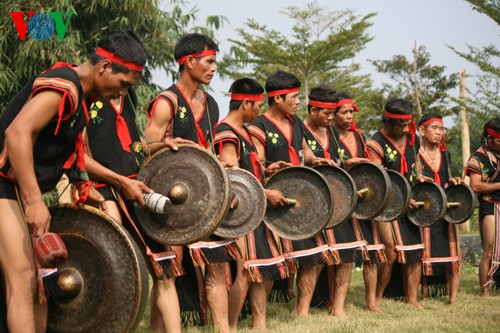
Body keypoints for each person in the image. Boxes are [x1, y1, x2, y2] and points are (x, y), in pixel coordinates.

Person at [0, 30, 146, 333]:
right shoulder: (63, 85)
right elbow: (17, 134)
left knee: (41, 281)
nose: (121, 94)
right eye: (122, 84)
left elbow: (67, 157)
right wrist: (35, 200)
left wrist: (104, 186)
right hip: (4, 185)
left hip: (19, 190)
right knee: (24, 278)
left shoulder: (79, 101)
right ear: (105, 67)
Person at [144, 33, 238, 333]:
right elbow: (145, 149)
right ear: (189, 62)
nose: (213, 68)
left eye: (214, 62)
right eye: (209, 62)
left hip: (204, 198)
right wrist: (169, 144)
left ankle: (223, 329)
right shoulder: (166, 102)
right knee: (168, 270)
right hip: (171, 198)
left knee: (217, 263)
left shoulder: (211, 104)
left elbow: (208, 153)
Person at [83, 84, 195, 332]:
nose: (131, 80)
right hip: (103, 188)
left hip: (138, 186)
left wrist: (162, 145)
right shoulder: (87, 96)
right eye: (129, 73)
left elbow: (135, 146)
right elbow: (81, 156)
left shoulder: (129, 96)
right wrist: (118, 182)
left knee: (165, 270)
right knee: (114, 264)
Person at [249, 71, 335, 317]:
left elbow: (304, 151)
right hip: (273, 202)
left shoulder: (296, 122)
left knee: (314, 256)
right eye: (295, 97)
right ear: (277, 98)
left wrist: (315, 160)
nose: (299, 102)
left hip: (301, 200)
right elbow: (258, 163)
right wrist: (268, 169)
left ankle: (302, 311)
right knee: (269, 265)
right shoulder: (259, 126)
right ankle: (260, 318)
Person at [214, 78, 289, 331]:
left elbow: (248, 169)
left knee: (263, 269)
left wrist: (267, 168)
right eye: (257, 105)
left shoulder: (244, 131)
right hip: (239, 214)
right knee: (245, 272)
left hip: (255, 209)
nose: (260, 110)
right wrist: (266, 193)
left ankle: (260, 324)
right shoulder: (225, 132)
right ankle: (231, 326)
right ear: (245, 103)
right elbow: (233, 178)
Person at [303, 86, 371, 317]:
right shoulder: (299, 130)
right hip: (313, 202)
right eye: (327, 113)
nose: (331, 118)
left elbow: (338, 162)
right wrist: (313, 161)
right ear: (313, 110)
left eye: (334, 113)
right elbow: (302, 159)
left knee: (347, 255)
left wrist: (347, 164)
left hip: (341, 200)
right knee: (315, 258)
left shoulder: (332, 132)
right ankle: (301, 310)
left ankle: (338, 308)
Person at [366, 98, 425, 308]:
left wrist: (419, 176)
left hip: (411, 199)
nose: (408, 128)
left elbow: (415, 161)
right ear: (390, 122)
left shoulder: (412, 138)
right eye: (404, 125)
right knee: (390, 251)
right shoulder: (375, 144)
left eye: (409, 124)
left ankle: (411, 298)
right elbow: (378, 181)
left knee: (416, 250)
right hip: (386, 205)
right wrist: (401, 200)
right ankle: (378, 297)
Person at [417, 113, 462, 304]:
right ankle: (416, 295)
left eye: (441, 129)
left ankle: (453, 298)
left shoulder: (445, 154)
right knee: (421, 254)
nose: (438, 132)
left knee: (453, 252)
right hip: (423, 211)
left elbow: (447, 177)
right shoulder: (414, 154)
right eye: (434, 128)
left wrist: (454, 181)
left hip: (444, 210)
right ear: (421, 130)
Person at [465, 117, 500, 297]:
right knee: (489, 248)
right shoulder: (478, 157)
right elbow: (476, 186)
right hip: (490, 205)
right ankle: (484, 289)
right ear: (490, 138)